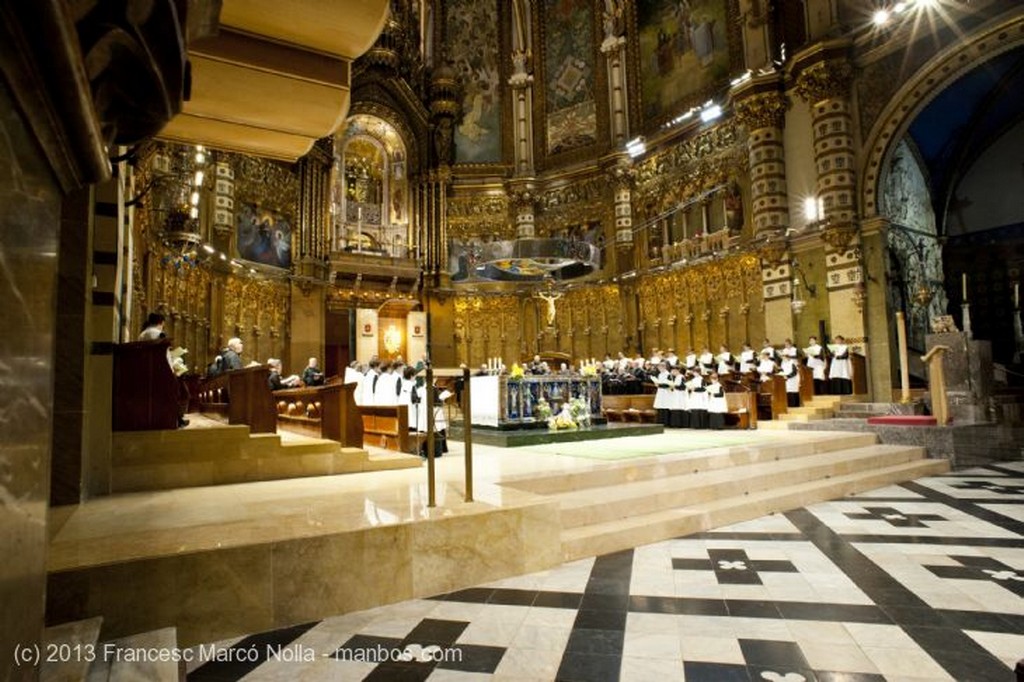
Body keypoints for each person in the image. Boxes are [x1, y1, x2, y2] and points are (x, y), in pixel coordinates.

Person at [139, 312, 190, 428]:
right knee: (173, 394)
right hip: (161, 370)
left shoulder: (143, 334)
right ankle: (175, 419)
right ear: (161, 323)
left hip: (147, 368)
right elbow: (163, 354)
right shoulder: (159, 334)